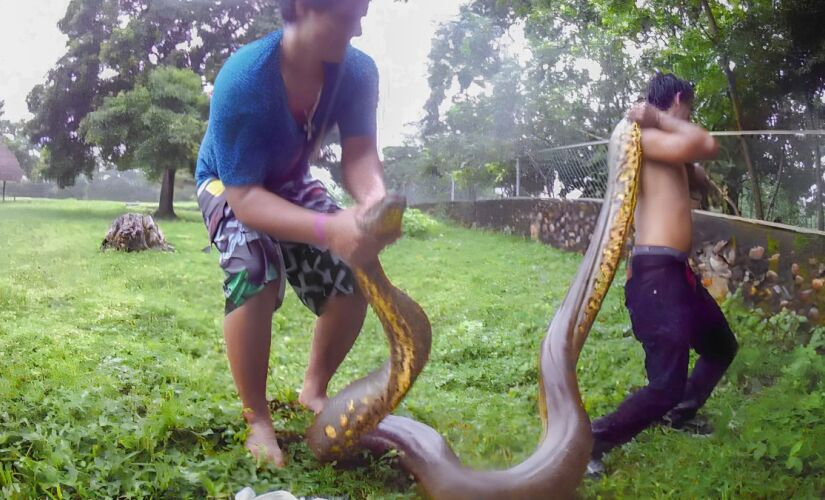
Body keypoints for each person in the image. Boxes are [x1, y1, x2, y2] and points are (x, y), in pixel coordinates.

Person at [195, 0, 396, 467]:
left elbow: (361, 151)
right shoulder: (244, 79)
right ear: (304, 6)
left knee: (354, 273)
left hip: (288, 176)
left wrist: (372, 203)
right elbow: (244, 199)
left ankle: (313, 388)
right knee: (254, 269)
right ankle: (258, 420)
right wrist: (329, 228)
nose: (360, 29)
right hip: (229, 181)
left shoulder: (357, 71)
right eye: (349, 16)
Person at [588, 73, 738, 476]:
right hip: (656, 277)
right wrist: (659, 117)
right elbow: (706, 143)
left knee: (721, 346)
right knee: (665, 384)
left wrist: (695, 174)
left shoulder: (663, 148)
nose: (688, 116)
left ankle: (679, 415)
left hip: (676, 274)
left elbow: (695, 169)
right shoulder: (645, 137)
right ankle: (591, 441)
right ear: (678, 99)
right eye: (686, 108)